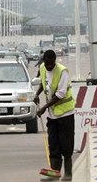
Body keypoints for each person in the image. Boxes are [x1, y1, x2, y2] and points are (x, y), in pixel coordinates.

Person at [34, 50, 75, 181]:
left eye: (51, 64)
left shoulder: (62, 71)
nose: (49, 66)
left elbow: (61, 94)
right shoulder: (42, 67)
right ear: (44, 61)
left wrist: (44, 108)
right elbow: (43, 83)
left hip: (65, 114)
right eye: (47, 63)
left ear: (55, 61)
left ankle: (68, 174)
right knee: (53, 146)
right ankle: (54, 175)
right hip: (52, 116)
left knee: (66, 145)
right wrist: (37, 94)